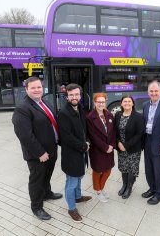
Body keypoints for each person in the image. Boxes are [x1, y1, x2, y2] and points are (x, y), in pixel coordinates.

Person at [12, 76, 62, 221]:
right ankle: (37, 207)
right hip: (38, 155)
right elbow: (24, 135)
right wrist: (40, 152)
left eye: (39, 87)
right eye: (33, 88)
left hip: (51, 149)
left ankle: (47, 193)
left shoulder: (44, 102)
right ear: (26, 89)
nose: (36, 90)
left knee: (47, 175)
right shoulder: (22, 108)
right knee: (37, 180)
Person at [57, 83, 92, 223]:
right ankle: (72, 208)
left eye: (76, 94)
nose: (74, 97)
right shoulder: (64, 113)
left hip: (81, 151)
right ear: (67, 96)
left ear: (80, 95)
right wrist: (83, 146)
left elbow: (85, 129)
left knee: (79, 176)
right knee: (71, 181)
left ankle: (78, 197)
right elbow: (67, 137)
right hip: (72, 154)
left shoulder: (80, 109)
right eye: (71, 95)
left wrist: (87, 141)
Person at [86, 93, 116, 203]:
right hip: (97, 150)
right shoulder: (90, 117)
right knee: (98, 171)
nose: (101, 104)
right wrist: (105, 147)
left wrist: (112, 145)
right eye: (99, 102)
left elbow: (113, 132)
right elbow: (93, 136)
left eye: (103, 102)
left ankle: (101, 187)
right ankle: (98, 190)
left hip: (109, 148)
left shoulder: (109, 115)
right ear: (94, 102)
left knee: (108, 170)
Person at [115, 95, 145, 199]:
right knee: (123, 167)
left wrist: (126, 146)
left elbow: (139, 134)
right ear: (121, 103)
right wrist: (118, 143)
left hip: (133, 148)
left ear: (132, 103)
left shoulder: (138, 116)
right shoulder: (118, 115)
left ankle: (129, 187)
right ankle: (124, 184)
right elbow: (115, 132)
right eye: (125, 101)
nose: (127, 103)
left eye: (129, 101)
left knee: (131, 168)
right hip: (120, 147)